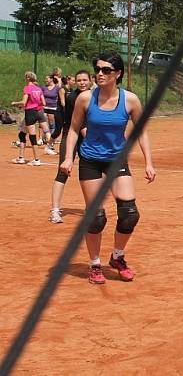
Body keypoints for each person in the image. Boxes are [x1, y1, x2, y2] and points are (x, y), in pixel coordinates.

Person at [60, 51, 156, 284]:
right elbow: (73, 129)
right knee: (96, 217)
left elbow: (141, 131)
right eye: (98, 70)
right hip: (91, 159)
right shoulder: (85, 98)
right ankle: (94, 265)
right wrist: (68, 157)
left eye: (106, 70)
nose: (100, 74)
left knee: (129, 214)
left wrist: (149, 162)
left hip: (116, 160)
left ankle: (117, 257)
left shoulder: (130, 100)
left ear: (118, 74)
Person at [49, 70, 91, 223]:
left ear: (90, 80)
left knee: (89, 173)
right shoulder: (73, 97)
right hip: (71, 136)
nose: (82, 82)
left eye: (85, 80)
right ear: (74, 81)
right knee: (63, 171)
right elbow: (79, 124)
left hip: (87, 136)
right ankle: (55, 211)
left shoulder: (95, 96)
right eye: (79, 80)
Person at [10, 71, 48, 166]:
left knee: (32, 136)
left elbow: (23, 102)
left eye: (25, 77)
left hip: (30, 113)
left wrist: (15, 103)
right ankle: (21, 158)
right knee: (22, 134)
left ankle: (36, 159)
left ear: (27, 78)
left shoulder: (27, 88)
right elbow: (43, 103)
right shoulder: (38, 89)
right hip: (38, 112)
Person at [41, 74, 61, 155]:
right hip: (44, 107)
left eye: (47, 78)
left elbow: (60, 96)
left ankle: (50, 143)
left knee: (52, 125)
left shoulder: (57, 88)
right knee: (44, 124)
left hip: (53, 108)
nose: (46, 80)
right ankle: (45, 140)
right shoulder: (43, 87)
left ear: (52, 79)